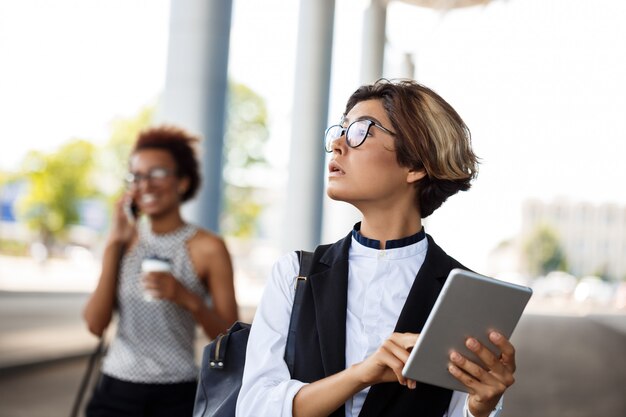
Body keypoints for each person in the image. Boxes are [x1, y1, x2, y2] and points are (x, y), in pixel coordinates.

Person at [236, 79, 516, 417]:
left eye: (359, 131)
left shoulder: (464, 295)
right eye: (340, 130)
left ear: (415, 165)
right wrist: (362, 374)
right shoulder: (295, 275)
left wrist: (481, 407)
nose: (337, 144)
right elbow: (253, 408)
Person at [83, 125, 238, 416]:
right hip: (115, 390)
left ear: (182, 182)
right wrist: (114, 241)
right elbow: (95, 324)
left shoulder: (208, 247)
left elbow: (229, 337)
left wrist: (187, 297)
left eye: (156, 174)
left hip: (176, 394)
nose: (145, 185)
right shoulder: (123, 240)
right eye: (137, 176)